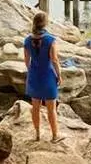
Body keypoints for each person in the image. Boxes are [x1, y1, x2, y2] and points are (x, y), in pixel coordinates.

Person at [23, 12, 64, 142]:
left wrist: (32, 71)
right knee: (51, 109)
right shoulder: (50, 40)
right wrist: (59, 75)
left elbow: (26, 60)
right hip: (48, 76)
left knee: (35, 107)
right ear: (45, 23)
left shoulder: (27, 40)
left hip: (34, 76)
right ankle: (55, 136)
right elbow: (54, 60)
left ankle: (37, 134)